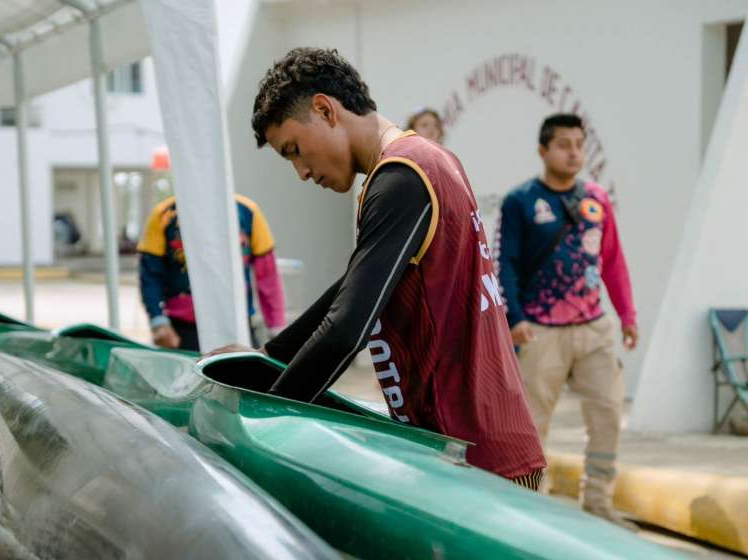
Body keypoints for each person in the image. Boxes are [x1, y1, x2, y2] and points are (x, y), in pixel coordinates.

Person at [209, 47, 545, 488]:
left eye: (294, 150)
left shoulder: (403, 176)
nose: (301, 172)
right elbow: (356, 287)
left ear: (325, 110)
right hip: (478, 446)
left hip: (476, 460)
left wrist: (263, 418)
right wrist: (269, 356)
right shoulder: (427, 161)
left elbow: (346, 328)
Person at [496, 113, 638, 527]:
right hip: (539, 332)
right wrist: (514, 318)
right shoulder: (520, 201)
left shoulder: (596, 199)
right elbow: (505, 264)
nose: (574, 153)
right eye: (563, 145)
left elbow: (613, 261)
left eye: (579, 144)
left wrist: (627, 315)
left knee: (608, 411)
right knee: (533, 425)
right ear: (543, 150)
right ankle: (531, 511)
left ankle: (598, 502)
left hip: (594, 327)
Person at [137, 192, 286, 351]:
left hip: (238, 325)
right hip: (181, 330)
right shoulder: (164, 214)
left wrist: (277, 327)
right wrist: (158, 321)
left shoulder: (247, 211)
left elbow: (267, 275)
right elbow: (150, 274)